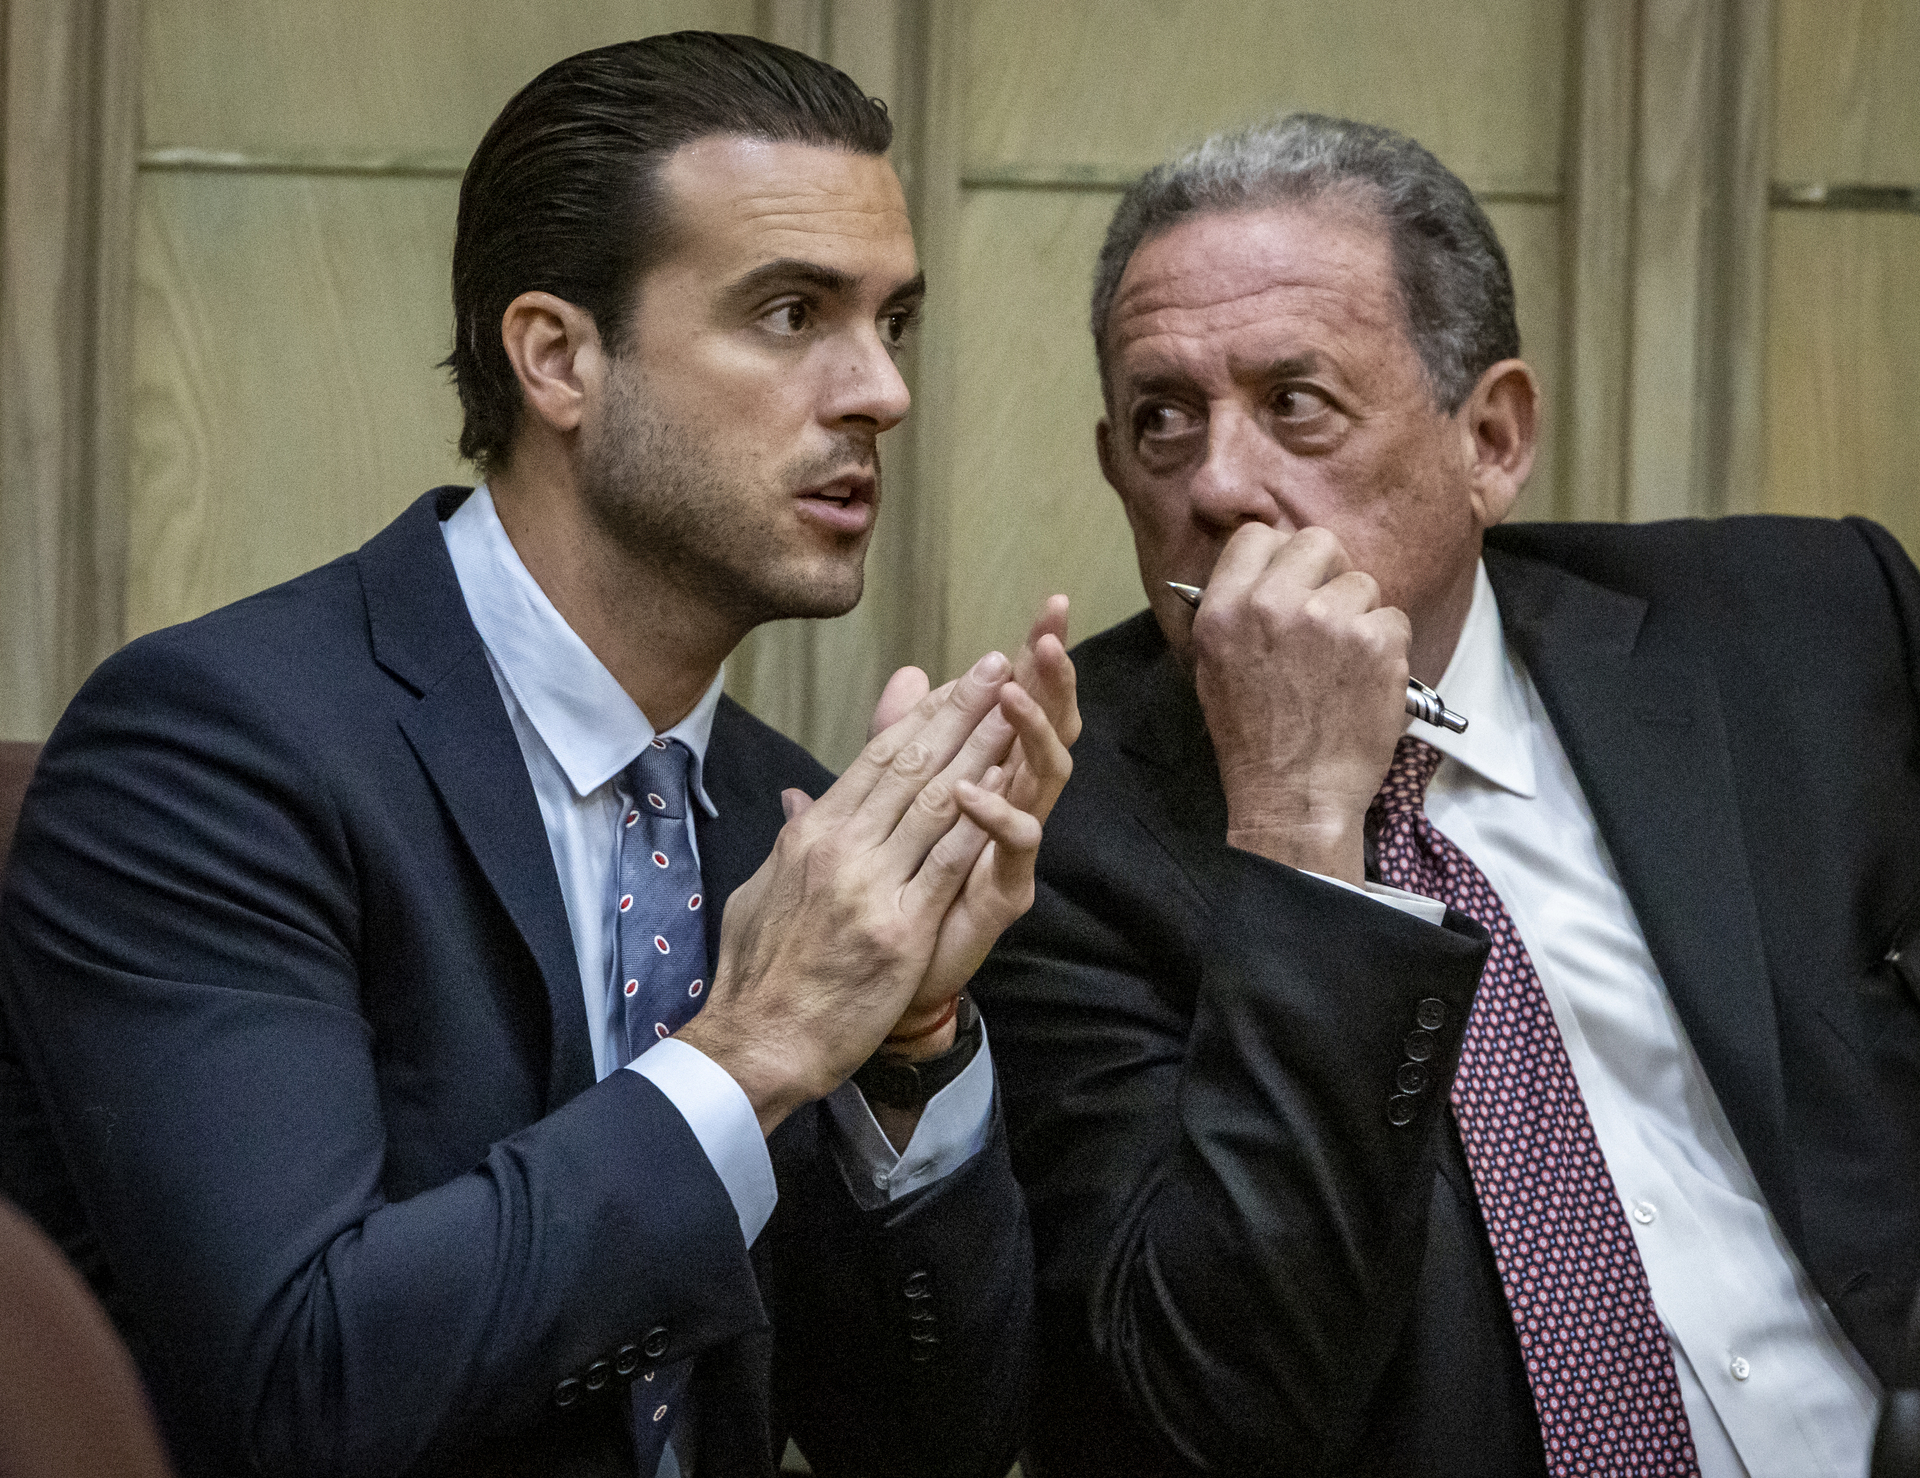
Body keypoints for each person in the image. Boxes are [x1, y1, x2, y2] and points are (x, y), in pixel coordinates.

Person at [0, 33, 1080, 1478]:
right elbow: (307, 1384)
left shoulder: (791, 823)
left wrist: (909, 1043)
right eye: (791, 313)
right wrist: (751, 1050)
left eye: (893, 322)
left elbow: (926, 1447)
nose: (880, 389)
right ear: (558, 357)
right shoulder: (211, 751)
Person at [972, 112, 1920, 1478]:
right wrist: (1300, 830)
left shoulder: (1805, 626)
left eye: (1296, 402)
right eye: (1162, 419)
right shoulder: (1054, 833)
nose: (1219, 482)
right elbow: (1211, 1410)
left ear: (1492, 438)